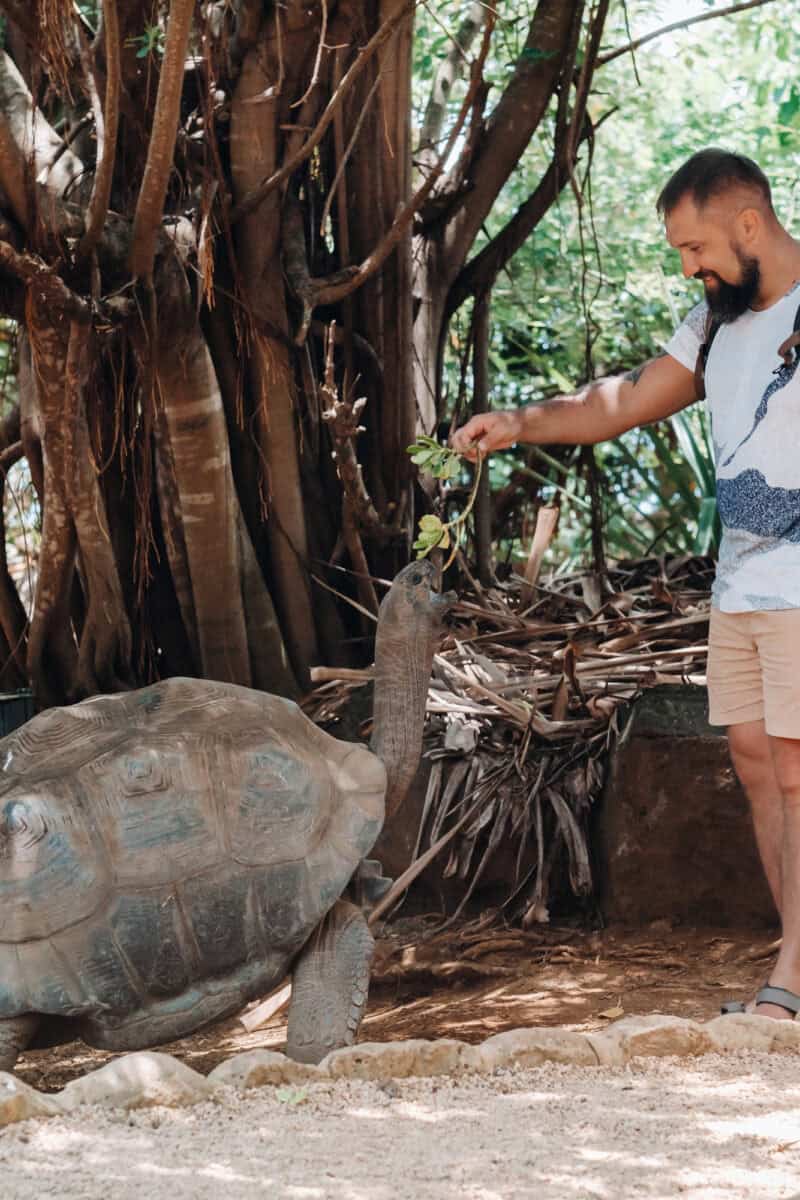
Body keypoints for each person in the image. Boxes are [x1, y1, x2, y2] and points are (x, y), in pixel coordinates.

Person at [451, 148, 800, 1020]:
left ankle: (791, 977)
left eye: (696, 248)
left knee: (797, 770)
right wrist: (521, 423)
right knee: (758, 766)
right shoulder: (714, 323)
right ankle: (796, 957)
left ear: (748, 224)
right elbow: (624, 400)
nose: (688, 266)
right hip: (741, 586)